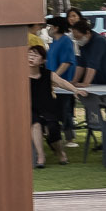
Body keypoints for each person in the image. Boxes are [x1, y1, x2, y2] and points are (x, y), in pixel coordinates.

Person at [44, 16, 78, 148]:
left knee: (65, 110)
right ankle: (56, 137)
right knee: (56, 111)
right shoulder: (54, 42)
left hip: (63, 83)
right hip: (54, 84)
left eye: (49, 27)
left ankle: (70, 139)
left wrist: (54, 77)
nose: (48, 30)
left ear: (56, 28)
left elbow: (67, 62)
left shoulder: (65, 41)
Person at [26, 39, 60, 167]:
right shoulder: (21, 74)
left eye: (35, 55)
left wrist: (75, 90)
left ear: (42, 60)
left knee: (53, 129)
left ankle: (60, 153)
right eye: (29, 54)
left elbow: (61, 82)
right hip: (30, 109)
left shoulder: (47, 74)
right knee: (35, 124)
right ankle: (41, 156)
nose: (31, 57)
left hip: (47, 108)